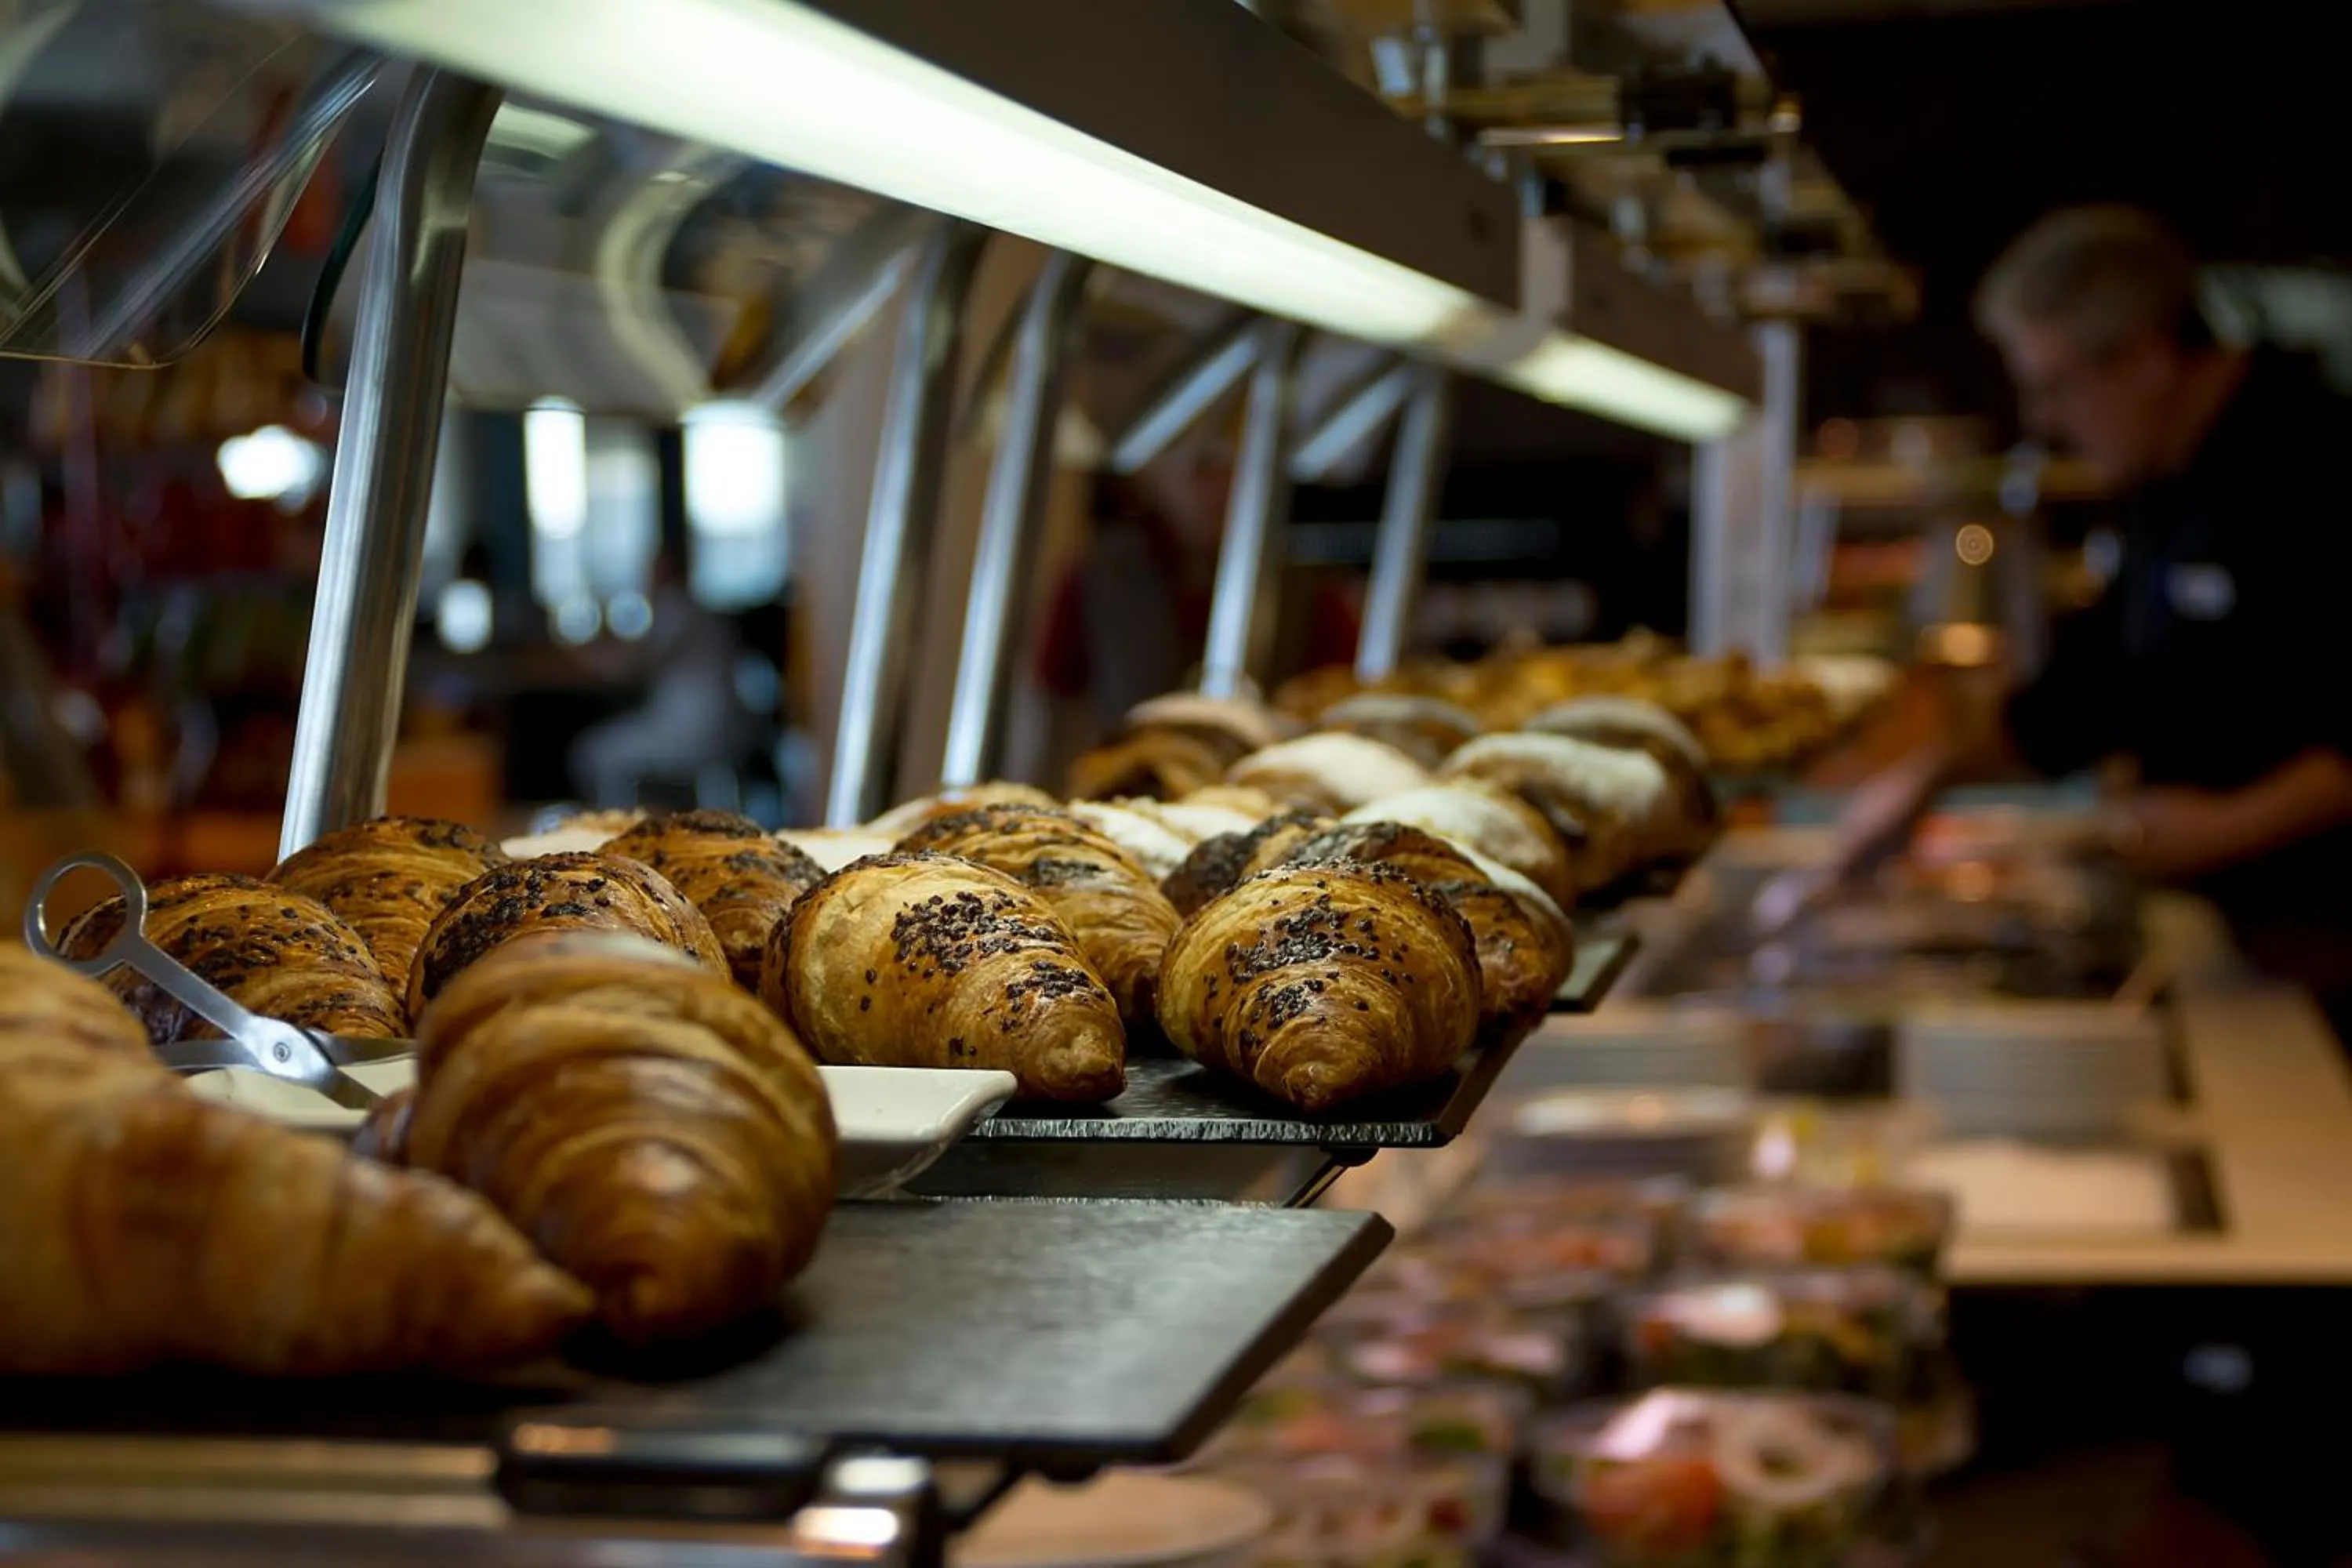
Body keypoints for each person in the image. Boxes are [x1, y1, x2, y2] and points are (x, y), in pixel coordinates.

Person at [1965, 205, 2352, 1023]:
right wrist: (1911, 790)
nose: (2043, 422)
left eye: (2053, 385)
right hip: (2238, 946)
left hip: (2327, 946)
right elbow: (2092, 684)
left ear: (2145, 357)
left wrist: (2228, 825)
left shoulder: (2318, 465)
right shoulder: (2166, 480)